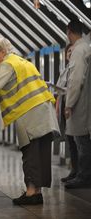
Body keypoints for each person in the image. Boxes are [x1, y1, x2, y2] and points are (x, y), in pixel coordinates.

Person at [0, 37, 59, 205]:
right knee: (41, 153)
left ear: (2, 52)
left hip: (30, 114)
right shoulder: (23, 62)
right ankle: (37, 192)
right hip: (43, 111)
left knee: (30, 153)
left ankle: (31, 193)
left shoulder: (8, 63)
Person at [63, 19, 91, 189]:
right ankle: (79, 173)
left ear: (69, 32)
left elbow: (76, 79)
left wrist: (68, 104)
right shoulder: (84, 48)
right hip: (83, 101)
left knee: (81, 140)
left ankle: (84, 176)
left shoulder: (79, 50)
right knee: (80, 139)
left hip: (80, 103)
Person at [55, 44, 78, 183]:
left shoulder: (80, 68)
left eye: (73, 51)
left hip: (74, 108)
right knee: (70, 141)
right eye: (69, 51)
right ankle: (74, 170)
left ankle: (80, 172)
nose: (70, 53)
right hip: (65, 108)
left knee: (78, 142)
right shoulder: (65, 70)